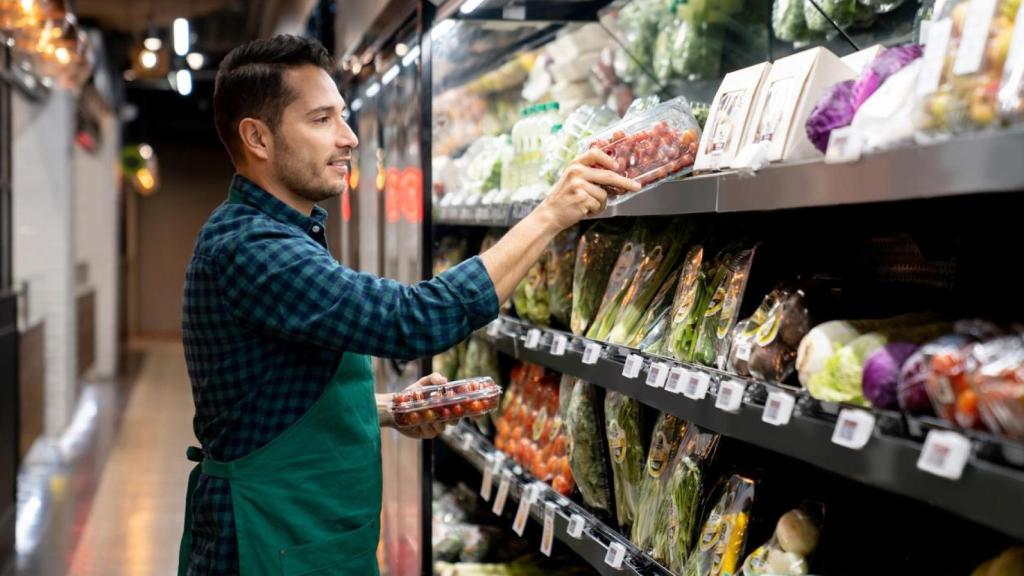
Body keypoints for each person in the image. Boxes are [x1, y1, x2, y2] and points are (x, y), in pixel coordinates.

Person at [178, 34, 639, 575]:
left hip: (300, 537)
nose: (349, 137)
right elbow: (411, 321)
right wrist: (549, 216)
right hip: (265, 543)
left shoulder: (282, 234)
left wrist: (389, 411)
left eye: (342, 117)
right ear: (257, 137)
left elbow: (266, 396)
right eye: (322, 120)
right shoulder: (252, 249)